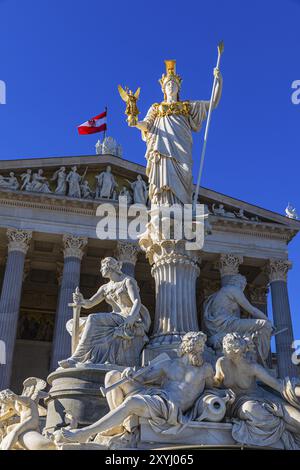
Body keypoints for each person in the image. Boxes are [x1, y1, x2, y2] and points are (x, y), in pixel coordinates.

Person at [55, 331, 220, 444]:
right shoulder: (168, 364)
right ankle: (119, 427)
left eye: (201, 345)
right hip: (157, 396)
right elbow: (142, 378)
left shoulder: (205, 369)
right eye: (198, 345)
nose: (200, 349)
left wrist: (222, 396)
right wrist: (129, 373)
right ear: (186, 346)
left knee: (133, 401)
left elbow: (213, 388)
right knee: (112, 375)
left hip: (170, 408)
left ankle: (86, 432)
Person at [132, 60, 222, 206]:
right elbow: (147, 125)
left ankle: (182, 207)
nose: (171, 86)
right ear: (163, 89)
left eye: (174, 84)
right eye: (168, 84)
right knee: (163, 179)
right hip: (162, 148)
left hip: (182, 147)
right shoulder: (156, 108)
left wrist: (218, 81)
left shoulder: (187, 106)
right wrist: (134, 121)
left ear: (178, 88)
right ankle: (163, 207)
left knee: (185, 173)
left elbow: (213, 103)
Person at [58, 257, 151, 369]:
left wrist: (131, 318)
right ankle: (89, 355)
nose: (101, 270)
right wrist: (81, 300)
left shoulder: (127, 281)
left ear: (110, 267)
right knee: (72, 323)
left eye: (102, 267)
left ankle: (77, 357)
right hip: (115, 316)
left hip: (127, 316)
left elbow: (137, 301)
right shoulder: (105, 288)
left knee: (93, 318)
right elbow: (90, 303)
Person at [214, 333, 300, 449]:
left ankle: (283, 426)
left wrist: (297, 391)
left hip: (263, 397)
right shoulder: (222, 363)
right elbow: (215, 383)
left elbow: (280, 386)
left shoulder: (253, 367)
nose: (226, 350)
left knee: (298, 419)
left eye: (232, 348)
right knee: (251, 409)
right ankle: (283, 428)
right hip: (240, 402)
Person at [203, 274, 272, 362]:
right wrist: (268, 320)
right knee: (264, 325)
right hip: (226, 324)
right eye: (243, 285)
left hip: (217, 325)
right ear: (240, 283)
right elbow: (252, 310)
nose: (243, 288)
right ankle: (260, 359)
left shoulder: (219, 293)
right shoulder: (233, 289)